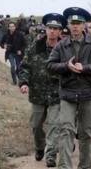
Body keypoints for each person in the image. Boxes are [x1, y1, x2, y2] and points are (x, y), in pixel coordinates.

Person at [46, 7, 91, 169]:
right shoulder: (61, 45)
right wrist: (66, 66)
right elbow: (50, 65)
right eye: (72, 23)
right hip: (68, 94)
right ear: (67, 24)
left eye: (78, 23)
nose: (75, 26)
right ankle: (64, 166)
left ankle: (85, 166)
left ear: (84, 25)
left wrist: (85, 68)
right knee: (66, 130)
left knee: (87, 133)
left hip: (89, 94)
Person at [19, 13, 65, 167]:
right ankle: (40, 146)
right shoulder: (35, 47)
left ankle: (50, 155)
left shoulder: (65, 48)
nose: (52, 31)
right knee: (36, 125)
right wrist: (24, 82)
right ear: (45, 29)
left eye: (56, 29)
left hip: (57, 95)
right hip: (38, 94)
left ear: (60, 32)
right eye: (50, 28)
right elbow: (25, 67)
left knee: (54, 125)